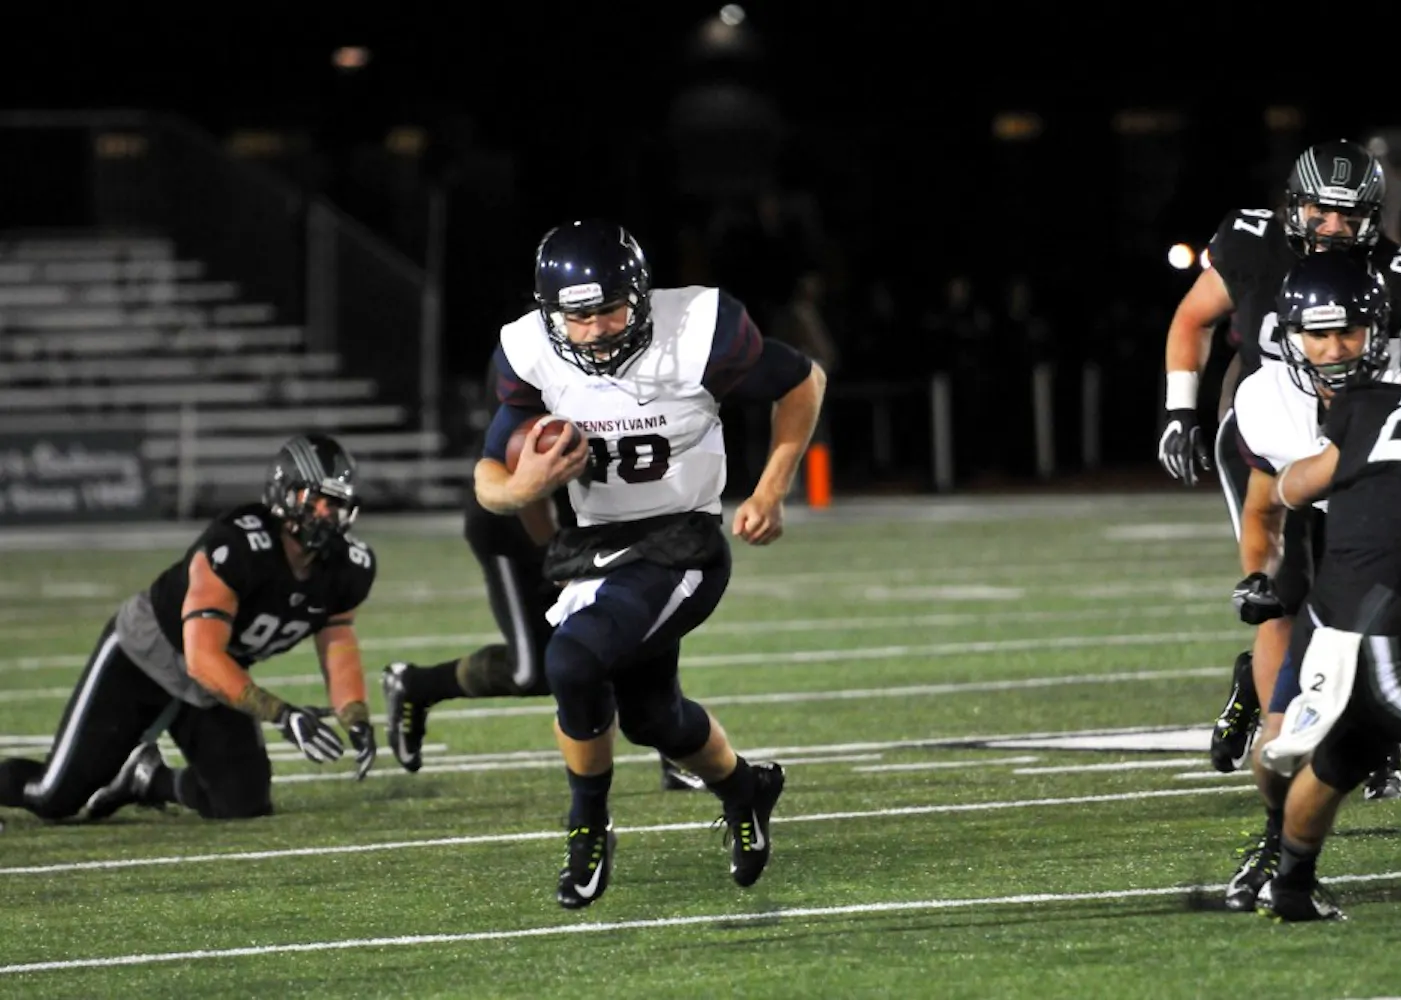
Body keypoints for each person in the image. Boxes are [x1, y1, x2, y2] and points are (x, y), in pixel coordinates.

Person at [473, 219, 826, 909]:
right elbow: (488, 473)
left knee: (572, 661)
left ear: (641, 295)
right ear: (549, 314)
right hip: (598, 547)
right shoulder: (527, 352)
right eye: (579, 316)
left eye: (611, 309)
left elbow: (802, 381)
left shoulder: (697, 332)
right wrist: (522, 489)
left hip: (682, 543)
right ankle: (747, 790)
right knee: (651, 718)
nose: (599, 328)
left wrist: (771, 488)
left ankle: (588, 827)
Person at [1156, 139, 1401, 776]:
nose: (1334, 226)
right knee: (1281, 593)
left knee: (1373, 578)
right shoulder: (1253, 244)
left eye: (1349, 213)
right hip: (1271, 429)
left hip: (1359, 434)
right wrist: (1182, 410)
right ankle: (1280, 732)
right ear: (1294, 205)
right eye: (1321, 210)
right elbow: (1193, 317)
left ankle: (1360, 719)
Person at [1223, 270, 1401, 910]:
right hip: (1375, 622)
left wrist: (1368, 480)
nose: (1335, 348)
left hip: (1348, 598)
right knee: (1284, 738)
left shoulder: (1364, 404)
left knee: (1343, 751)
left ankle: (1291, 883)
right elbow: (1272, 510)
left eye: (1349, 331)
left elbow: (1292, 488)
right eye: (1316, 335)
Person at [0, 434, 378, 826]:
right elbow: (201, 659)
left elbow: (337, 640)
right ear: (284, 493)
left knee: (243, 802)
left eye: (334, 504)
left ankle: (146, 779)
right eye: (313, 499)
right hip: (147, 653)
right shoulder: (238, 544)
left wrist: (355, 714)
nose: (324, 513)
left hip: (216, 674)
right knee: (53, 797)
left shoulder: (348, 568)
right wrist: (281, 714)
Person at [381, 366, 702, 791]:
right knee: (532, 672)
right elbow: (527, 484)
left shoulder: (625, 369)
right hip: (515, 524)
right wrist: (561, 565)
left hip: (583, 521)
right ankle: (416, 685)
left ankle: (673, 743)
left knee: (637, 614)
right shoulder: (541, 377)